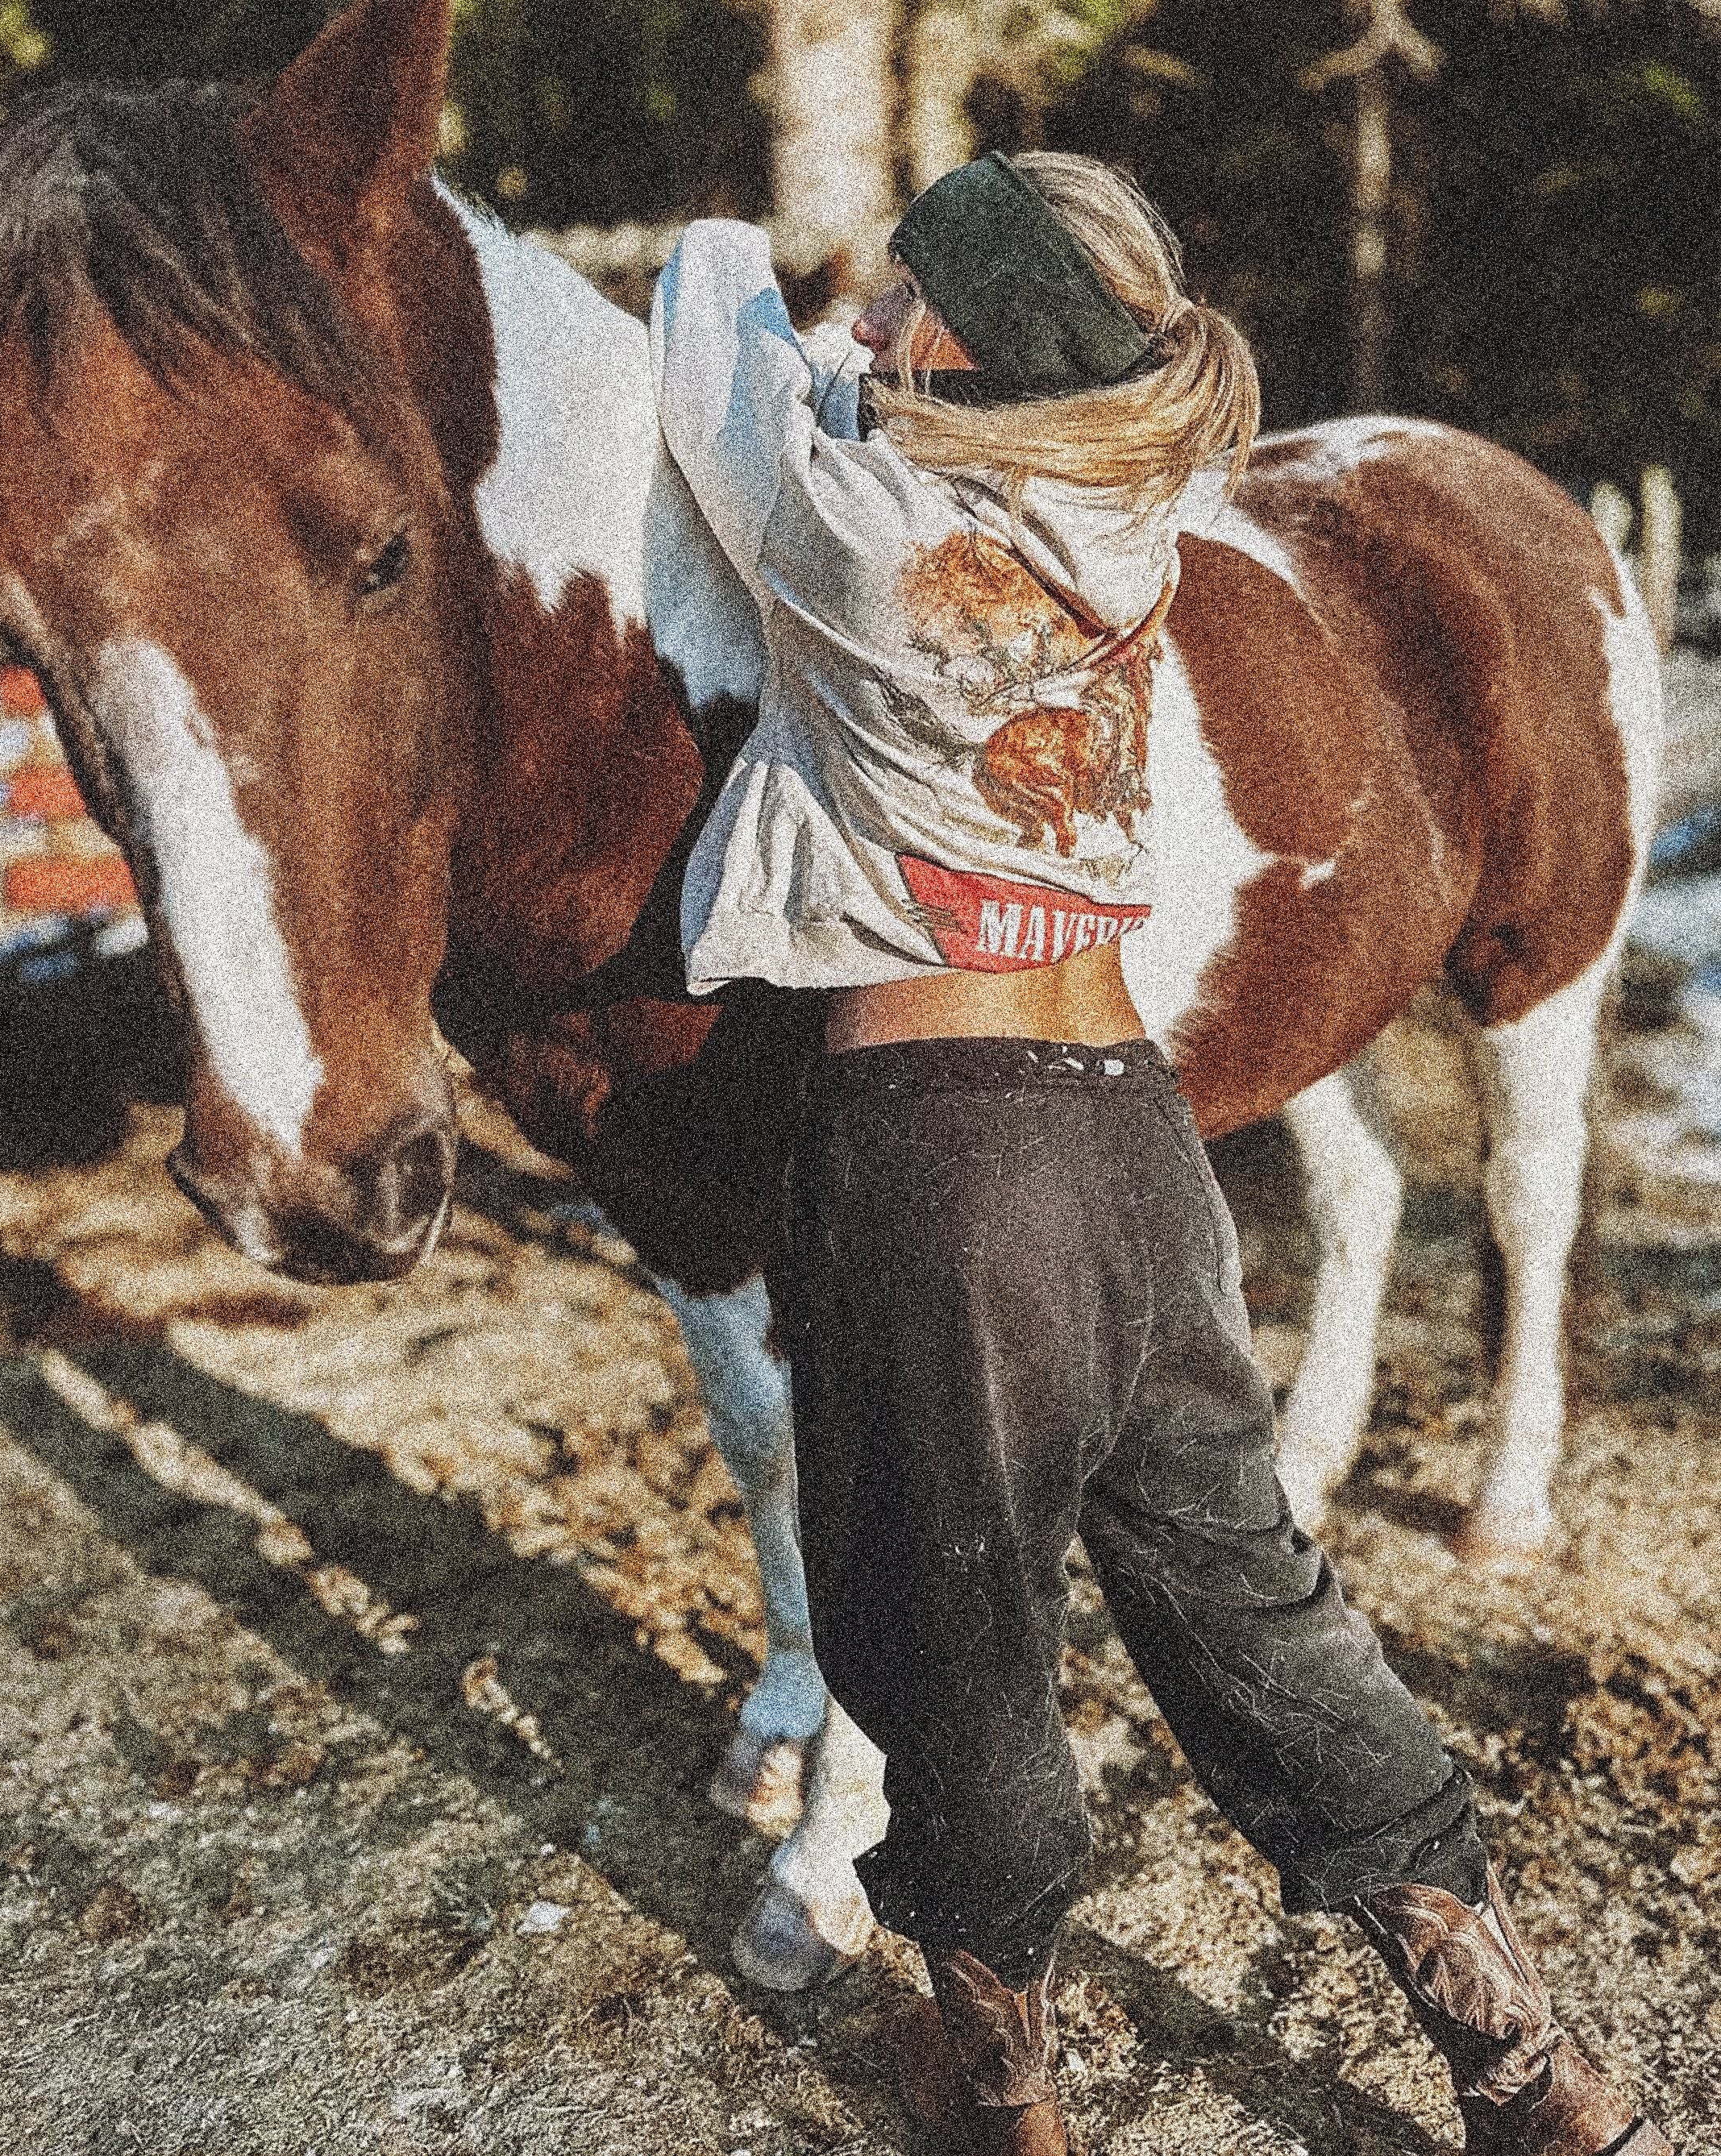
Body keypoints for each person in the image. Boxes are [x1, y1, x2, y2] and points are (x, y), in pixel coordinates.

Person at [649, 151, 1668, 2156]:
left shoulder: (858, 529)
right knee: (1249, 1601)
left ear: (971, 331)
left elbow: (703, 325)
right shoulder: (1120, 511)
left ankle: (1001, 2081)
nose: (864, 325)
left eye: (902, 295)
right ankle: (1525, 2065)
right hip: (1134, 1138)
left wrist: (738, 251)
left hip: (940, 1150)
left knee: (949, 1631)